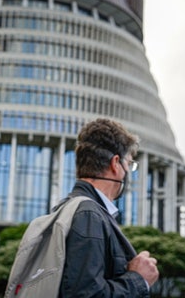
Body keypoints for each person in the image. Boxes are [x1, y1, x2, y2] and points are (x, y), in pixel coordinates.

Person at [59, 118, 159, 297]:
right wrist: (138, 279)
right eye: (129, 163)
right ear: (115, 163)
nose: (129, 172)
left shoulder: (66, 209)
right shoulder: (89, 215)